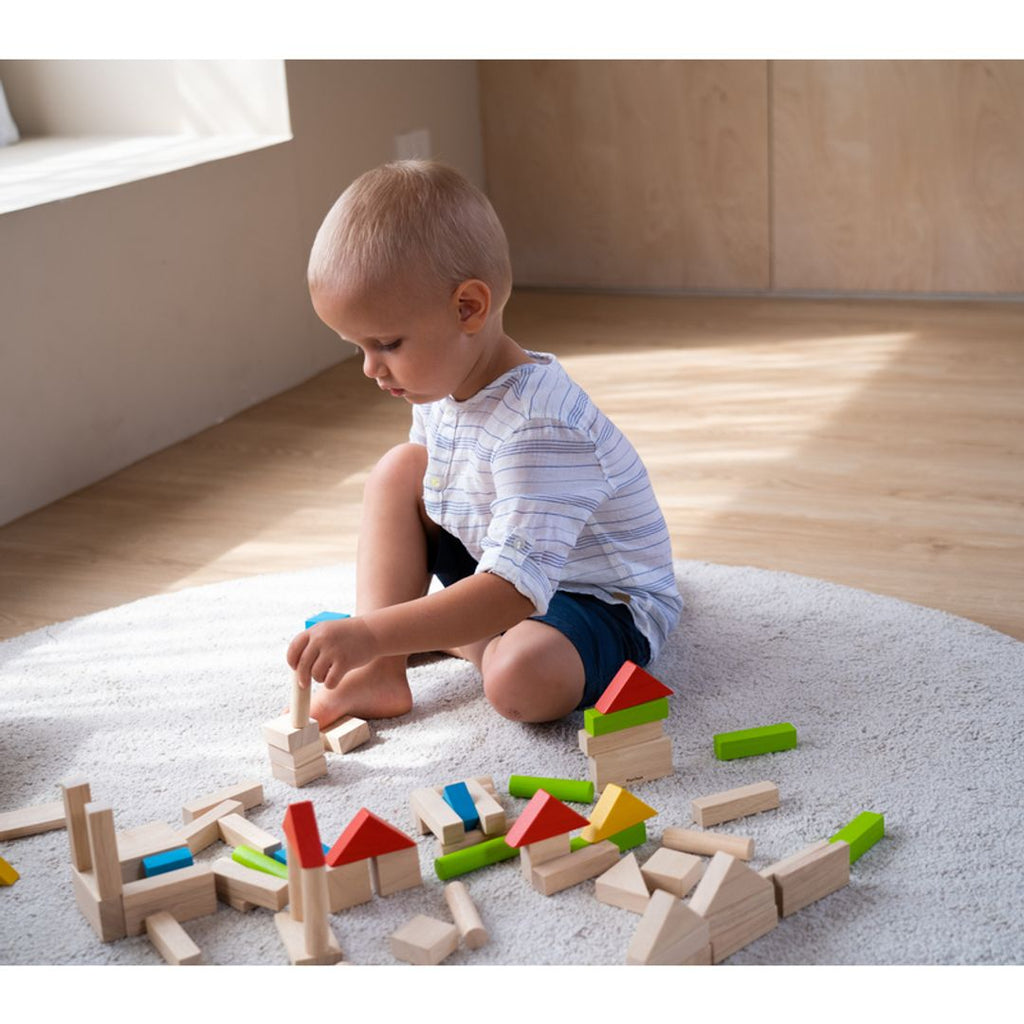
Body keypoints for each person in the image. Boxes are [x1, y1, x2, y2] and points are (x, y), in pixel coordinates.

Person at [286, 160, 682, 727]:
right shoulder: (436, 386)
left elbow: (510, 592)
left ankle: (433, 639)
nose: (372, 369)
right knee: (401, 468)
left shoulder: (539, 427)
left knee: (520, 682)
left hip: (596, 597)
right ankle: (378, 671)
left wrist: (373, 631)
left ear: (468, 307)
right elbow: (451, 515)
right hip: (500, 560)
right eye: (358, 348)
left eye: (387, 343)